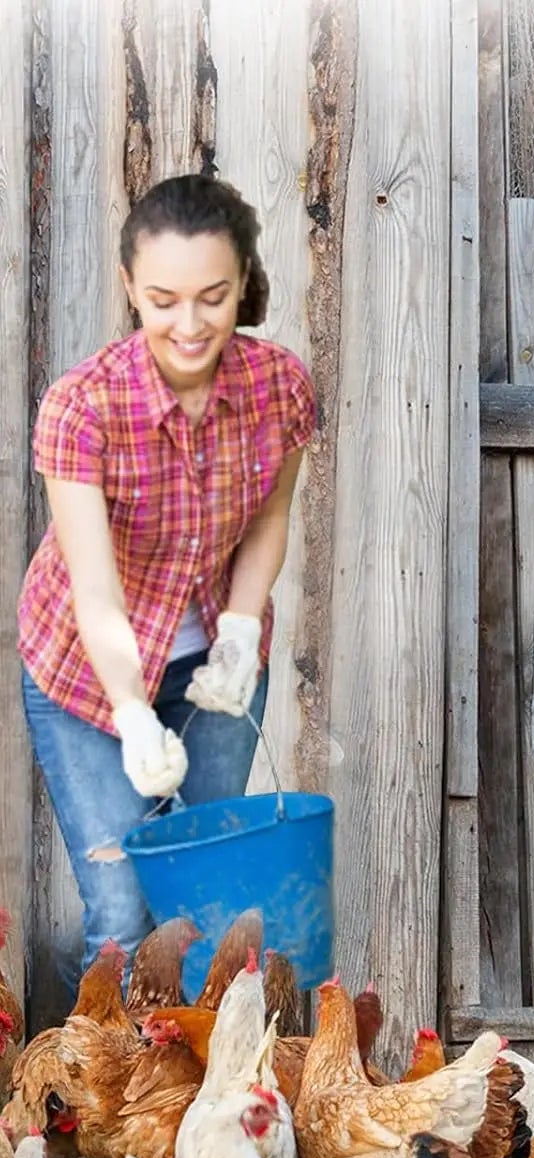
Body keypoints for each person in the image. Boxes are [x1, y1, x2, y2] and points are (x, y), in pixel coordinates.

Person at [18, 173, 316, 988]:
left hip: (212, 664)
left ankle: (194, 1107)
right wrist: (132, 715)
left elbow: (268, 519)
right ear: (131, 289)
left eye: (213, 298)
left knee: (207, 901)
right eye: (163, 300)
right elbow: (95, 592)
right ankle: (102, 1113)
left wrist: (241, 631)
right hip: (87, 676)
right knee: (121, 915)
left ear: (243, 282)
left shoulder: (279, 387)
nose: (189, 324)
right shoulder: (83, 406)